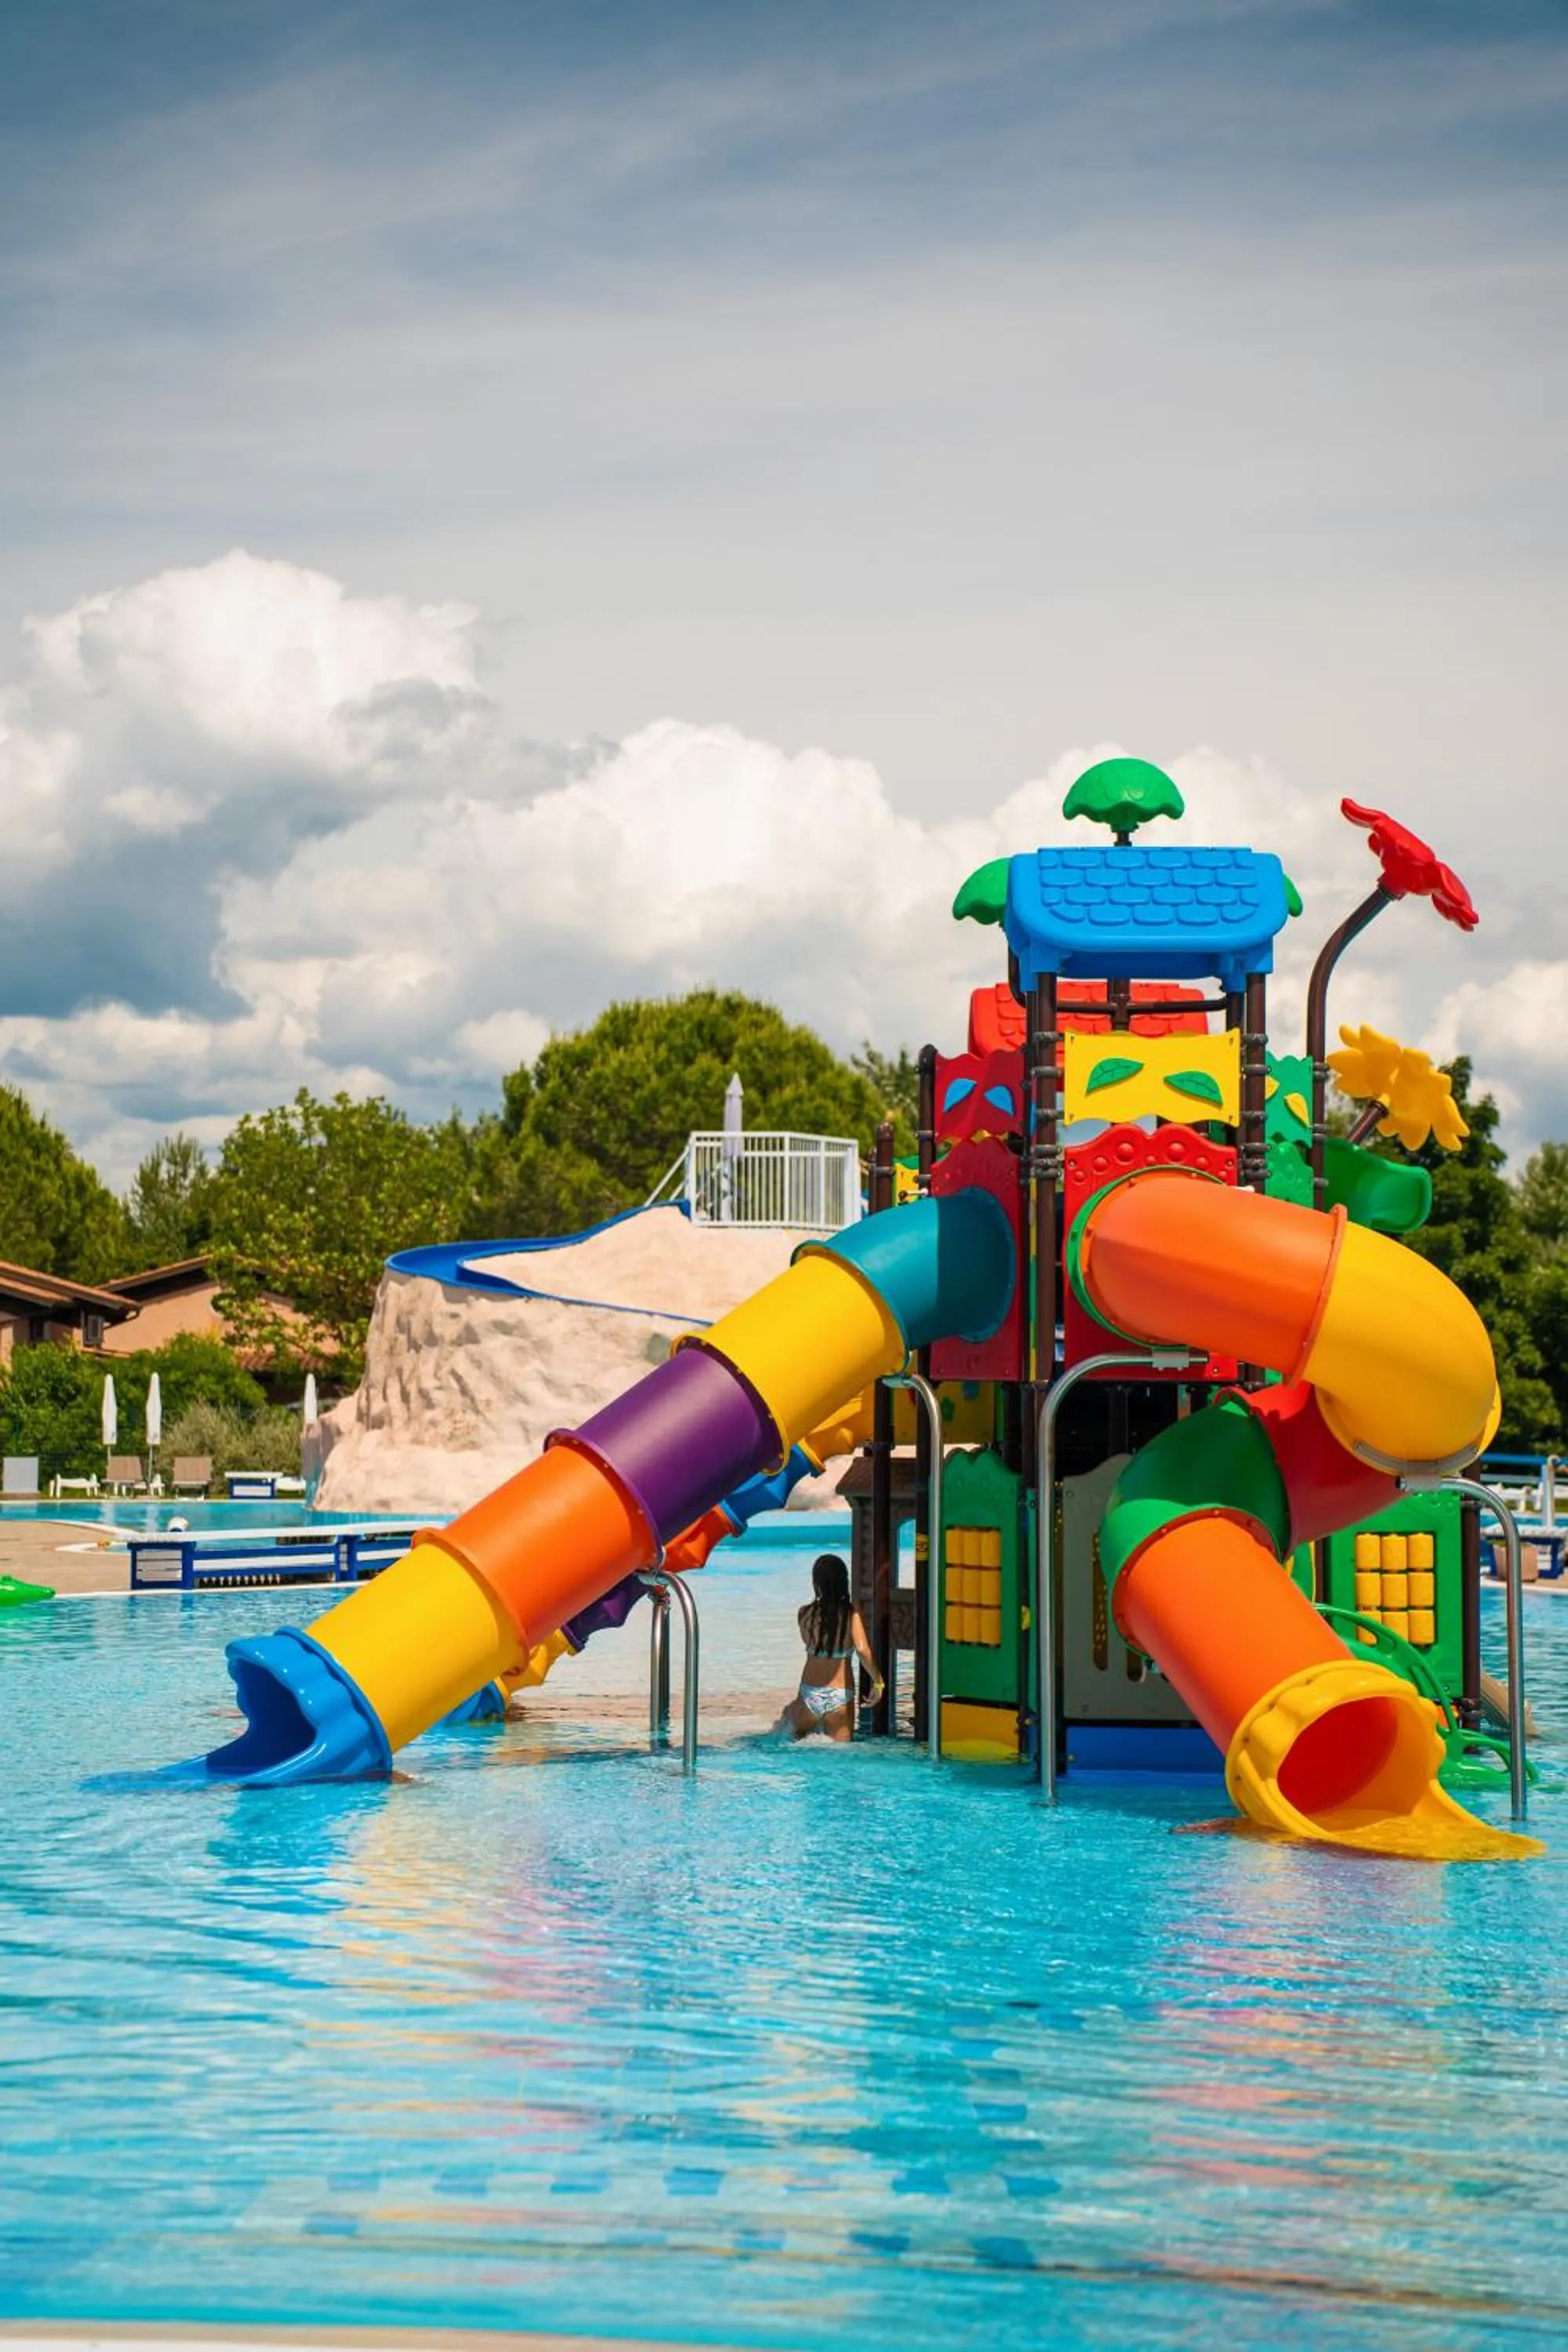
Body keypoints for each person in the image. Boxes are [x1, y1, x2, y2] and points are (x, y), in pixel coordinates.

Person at [782, 1553, 883, 1741]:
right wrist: (878, 1681)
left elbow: (810, 1643)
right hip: (840, 1696)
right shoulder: (851, 1613)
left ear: (816, 1582)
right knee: (840, 1757)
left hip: (809, 1693)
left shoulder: (805, 1614)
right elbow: (862, 1650)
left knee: (790, 1741)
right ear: (844, 1581)